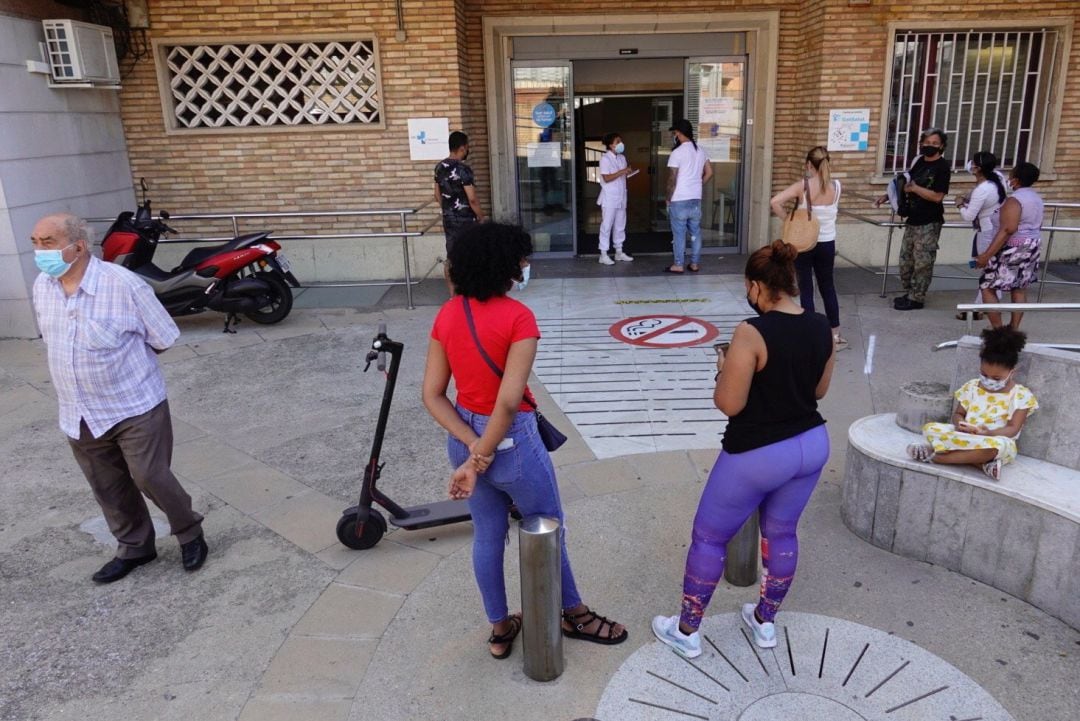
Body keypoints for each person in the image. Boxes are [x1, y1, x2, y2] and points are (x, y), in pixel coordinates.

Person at [422, 222, 628, 659]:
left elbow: (433, 395)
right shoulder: (519, 318)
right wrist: (484, 455)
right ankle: (575, 613)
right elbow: (509, 402)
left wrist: (470, 451)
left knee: (487, 536)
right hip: (510, 443)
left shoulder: (447, 314)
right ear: (504, 266)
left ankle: (500, 628)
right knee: (547, 527)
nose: (525, 265)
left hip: (462, 436)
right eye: (521, 259)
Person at [652, 240, 835, 658]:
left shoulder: (750, 333)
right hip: (811, 443)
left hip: (759, 452)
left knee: (709, 538)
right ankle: (764, 621)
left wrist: (723, 369)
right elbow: (820, 390)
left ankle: (686, 630)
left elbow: (729, 403)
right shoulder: (822, 325)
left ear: (755, 286)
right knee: (783, 532)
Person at [30, 213, 207, 584]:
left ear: (78, 246)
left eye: (48, 242)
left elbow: (163, 337)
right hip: (77, 409)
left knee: (150, 476)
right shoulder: (42, 287)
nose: (39, 251)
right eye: (35, 242)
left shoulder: (124, 285)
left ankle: (189, 533)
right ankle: (135, 547)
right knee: (107, 485)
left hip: (134, 405)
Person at [907, 327, 1037, 481]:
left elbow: (1013, 429)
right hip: (965, 436)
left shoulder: (1021, 395)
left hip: (992, 439)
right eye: (984, 374)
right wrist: (961, 424)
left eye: (996, 378)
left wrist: (986, 433)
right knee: (931, 428)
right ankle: (981, 465)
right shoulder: (972, 387)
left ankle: (938, 457)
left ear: (1012, 372)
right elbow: (958, 414)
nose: (989, 381)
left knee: (998, 448)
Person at [769, 146, 847, 350]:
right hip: (827, 243)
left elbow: (775, 201)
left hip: (804, 244)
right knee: (828, 286)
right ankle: (835, 334)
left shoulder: (802, 186)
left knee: (806, 288)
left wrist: (789, 221)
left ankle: (811, 334)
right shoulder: (837, 187)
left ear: (808, 165)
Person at [876, 128, 951, 310]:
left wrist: (916, 190)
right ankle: (909, 292)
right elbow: (905, 182)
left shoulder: (942, 167)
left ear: (941, 146)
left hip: (929, 221)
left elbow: (937, 196)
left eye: (934, 143)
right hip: (912, 219)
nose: (930, 146)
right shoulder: (920, 163)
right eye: (927, 142)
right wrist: (888, 196)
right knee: (906, 260)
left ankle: (917, 297)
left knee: (922, 262)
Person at [976, 162, 1044, 330]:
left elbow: (1008, 229)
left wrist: (986, 255)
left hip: (1014, 247)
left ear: (1016, 180)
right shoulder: (1036, 198)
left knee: (987, 285)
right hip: (1032, 245)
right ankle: (1013, 330)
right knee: (1019, 287)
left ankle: (999, 332)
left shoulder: (1015, 200)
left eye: (1011, 175)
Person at [956, 151, 1008, 319]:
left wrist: (959, 205)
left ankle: (980, 307)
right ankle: (987, 303)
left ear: (977, 168)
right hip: (996, 228)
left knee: (986, 268)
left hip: (987, 231)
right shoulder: (997, 178)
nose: (969, 165)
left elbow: (969, 216)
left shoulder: (984, 189)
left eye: (972, 163)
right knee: (992, 268)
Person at [434, 131, 485, 293]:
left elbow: (436, 194)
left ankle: (453, 295)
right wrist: (480, 216)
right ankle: (471, 291)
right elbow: (472, 199)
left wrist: (448, 210)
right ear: (463, 148)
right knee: (470, 254)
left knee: (452, 256)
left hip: (449, 219)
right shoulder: (463, 170)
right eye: (467, 147)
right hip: (466, 220)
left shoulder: (439, 167)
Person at [665, 118, 713, 274]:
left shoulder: (677, 153)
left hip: (679, 199)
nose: (675, 135)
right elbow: (709, 172)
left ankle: (678, 264)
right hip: (695, 198)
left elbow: (672, 179)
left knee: (679, 233)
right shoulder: (700, 150)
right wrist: (698, 184)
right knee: (695, 232)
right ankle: (694, 264)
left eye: (675, 132)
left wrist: (668, 198)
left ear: (679, 133)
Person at [596, 131, 635, 265]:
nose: (620, 144)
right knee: (606, 225)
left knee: (620, 225)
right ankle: (603, 254)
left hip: (621, 196)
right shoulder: (605, 159)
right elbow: (606, 178)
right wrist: (622, 172)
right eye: (618, 141)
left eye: (620, 141)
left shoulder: (622, 158)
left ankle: (619, 251)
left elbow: (622, 177)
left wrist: (628, 172)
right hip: (609, 197)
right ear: (611, 145)